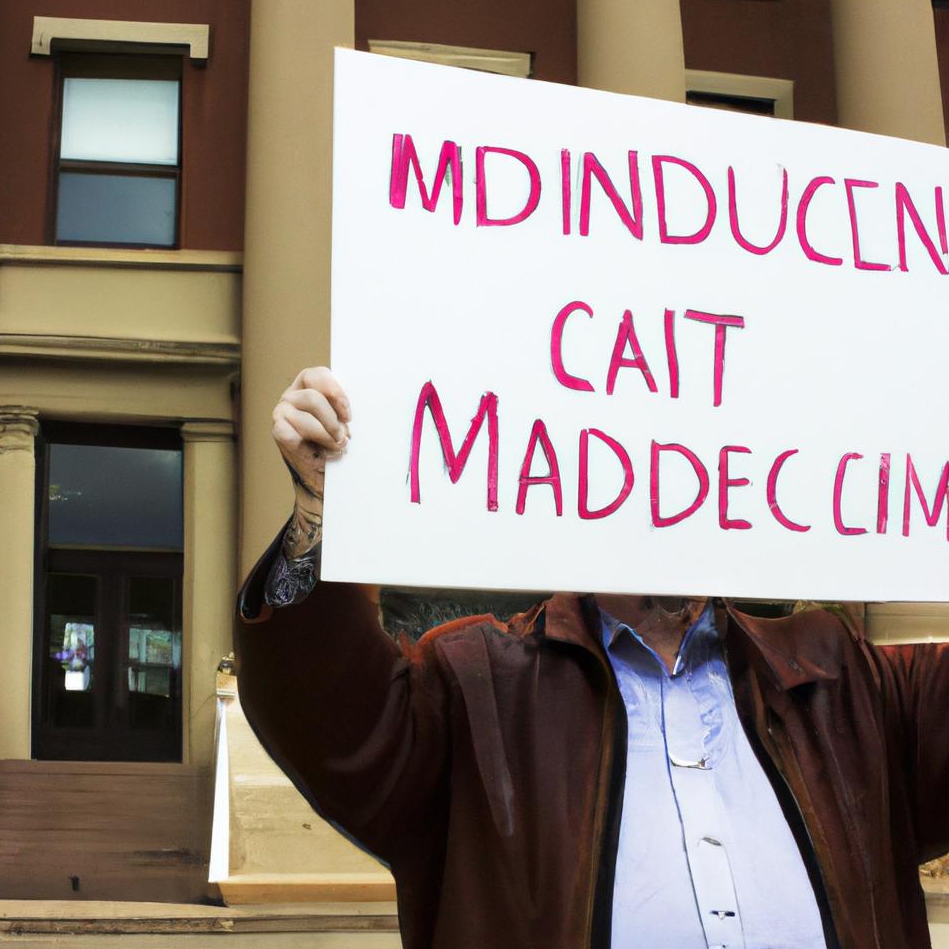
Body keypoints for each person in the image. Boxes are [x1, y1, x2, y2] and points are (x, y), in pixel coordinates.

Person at [235, 366, 948, 949]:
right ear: (585, 474)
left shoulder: (839, 674)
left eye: (694, 457)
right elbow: (332, 726)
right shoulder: (480, 686)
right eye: (644, 458)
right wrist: (319, 521)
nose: (672, 485)